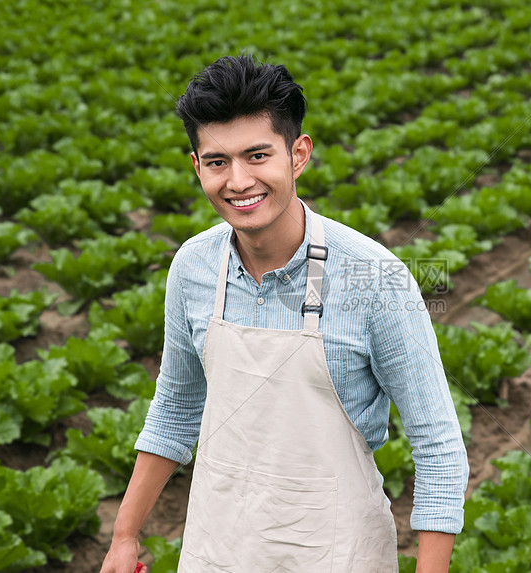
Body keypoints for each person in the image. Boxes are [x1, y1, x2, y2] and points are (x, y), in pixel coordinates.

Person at [100, 54, 469, 573]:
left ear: (298, 154)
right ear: (197, 166)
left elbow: (438, 447)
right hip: (218, 546)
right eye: (217, 162)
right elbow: (175, 409)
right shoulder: (193, 267)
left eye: (257, 156)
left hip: (336, 553)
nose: (238, 181)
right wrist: (125, 535)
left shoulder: (376, 278)